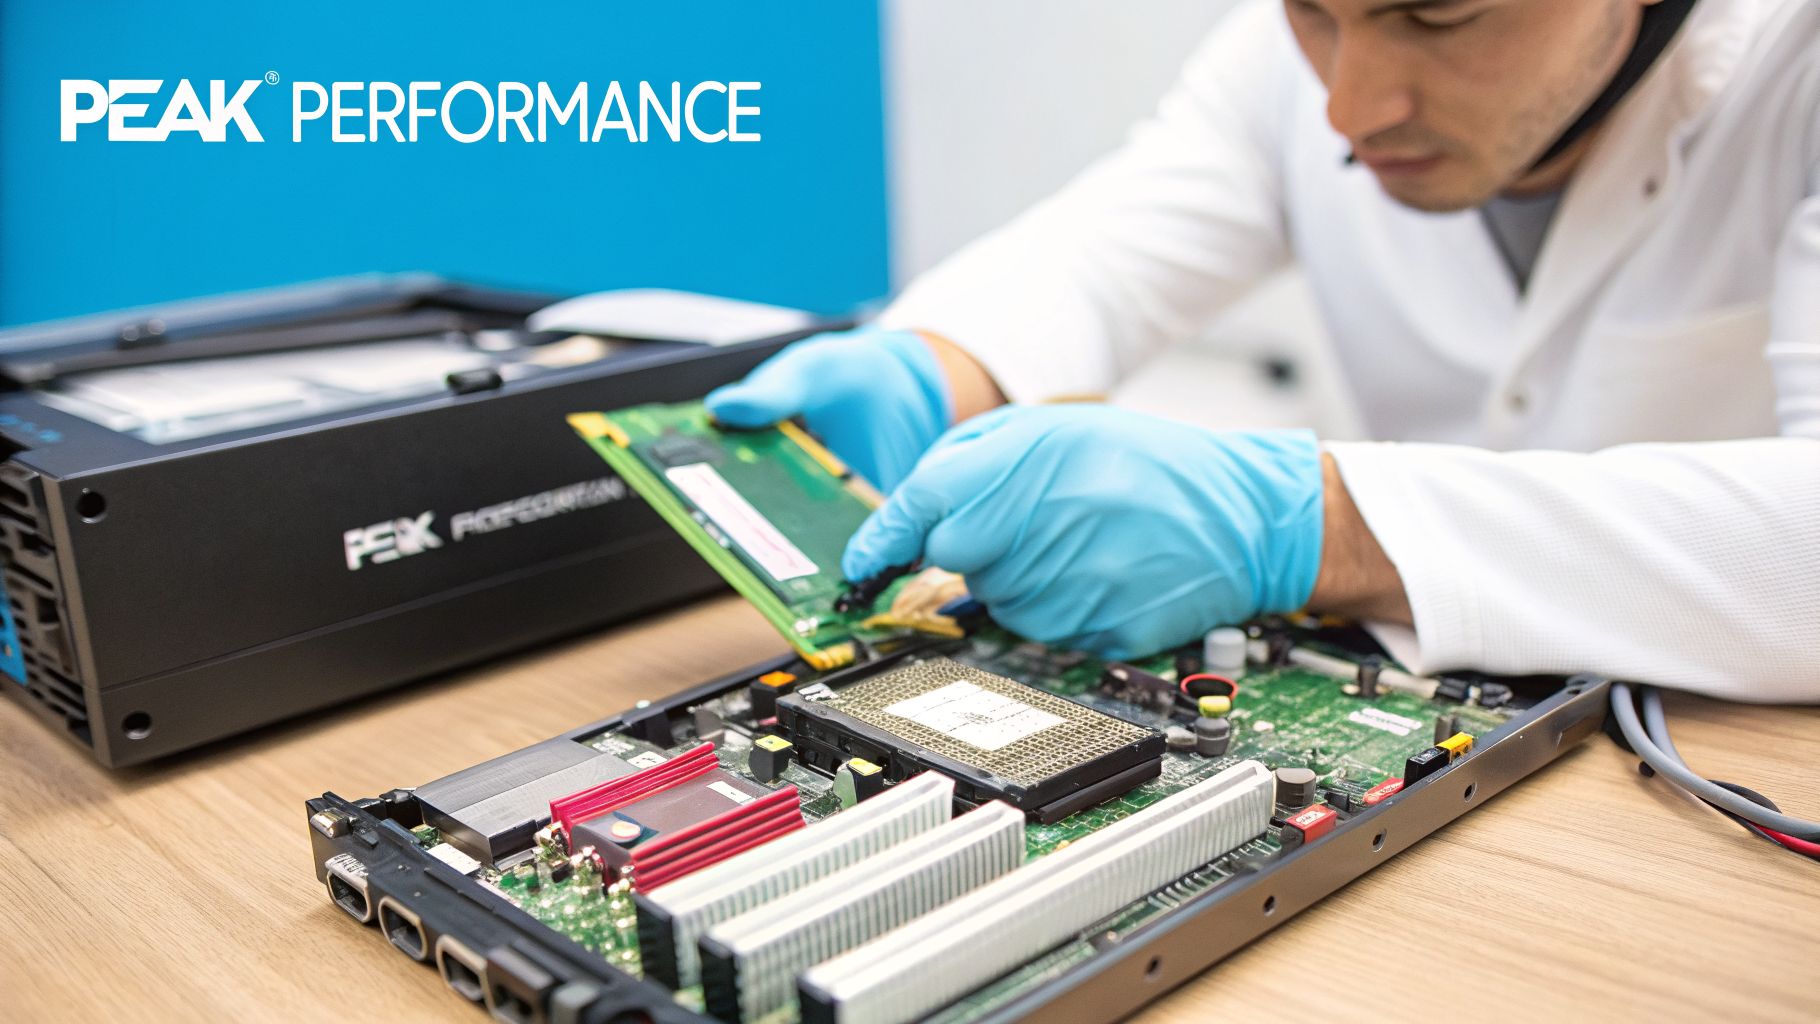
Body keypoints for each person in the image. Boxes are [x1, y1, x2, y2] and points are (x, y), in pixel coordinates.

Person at [708, 0, 1820, 702]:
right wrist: (930, 361)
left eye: (1434, 16)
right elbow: (1107, 249)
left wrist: (1315, 523)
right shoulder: (1284, 56)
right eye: (1311, 15)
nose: (1347, 104)